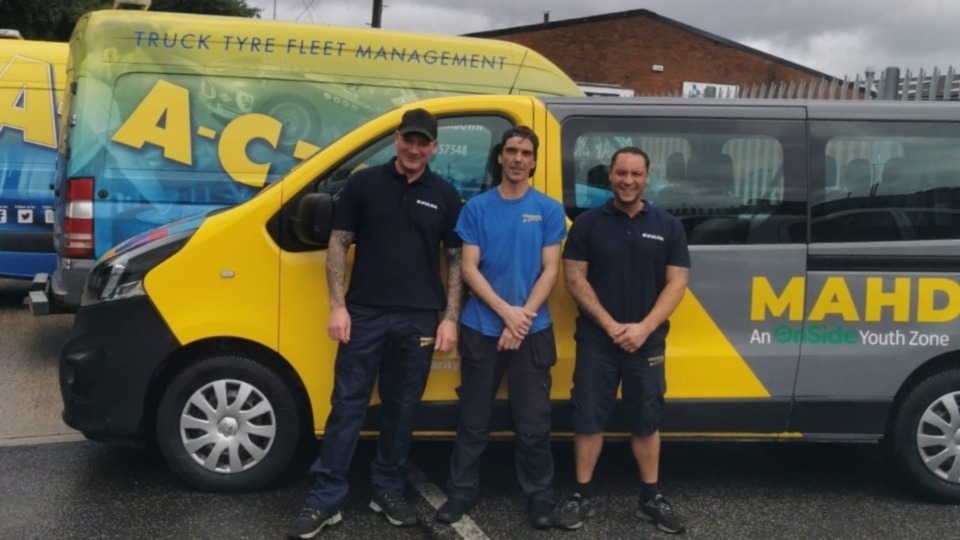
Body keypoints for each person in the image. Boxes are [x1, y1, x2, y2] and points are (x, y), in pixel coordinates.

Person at [286, 108, 463, 539]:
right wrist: (337, 305)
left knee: (402, 411)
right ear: (397, 139)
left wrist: (450, 318)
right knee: (347, 405)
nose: (415, 149)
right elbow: (338, 244)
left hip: (420, 317)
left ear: (434, 148)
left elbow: (455, 260)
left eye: (424, 143)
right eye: (409, 140)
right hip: (363, 314)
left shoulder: (445, 195)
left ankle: (387, 490)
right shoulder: (362, 185)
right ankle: (325, 499)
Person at [433, 126, 566, 529]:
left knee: (533, 425)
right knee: (473, 421)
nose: (518, 159)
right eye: (511, 151)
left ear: (534, 161)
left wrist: (520, 317)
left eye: (526, 152)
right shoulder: (476, 208)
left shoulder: (548, 209)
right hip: (482, 329)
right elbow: (468, 269)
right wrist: (506, 314)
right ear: (500, 157)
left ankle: (541, 497)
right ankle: (460, 493)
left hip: (532, 329)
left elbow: (551, 270)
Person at [555, 147, 690, 534]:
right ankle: (582, 493)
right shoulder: (588, 224)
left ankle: (650, 497)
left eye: (635, 174)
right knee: (588, 416)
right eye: (620, 173)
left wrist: (644, 327)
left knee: (646, 420)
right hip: (598, 339)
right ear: (609, 176)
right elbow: (574, 278)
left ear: (648, 177)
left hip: (646, 341)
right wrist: (611, 325)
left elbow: (677, 282)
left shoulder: (667, 225)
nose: (627, 180)